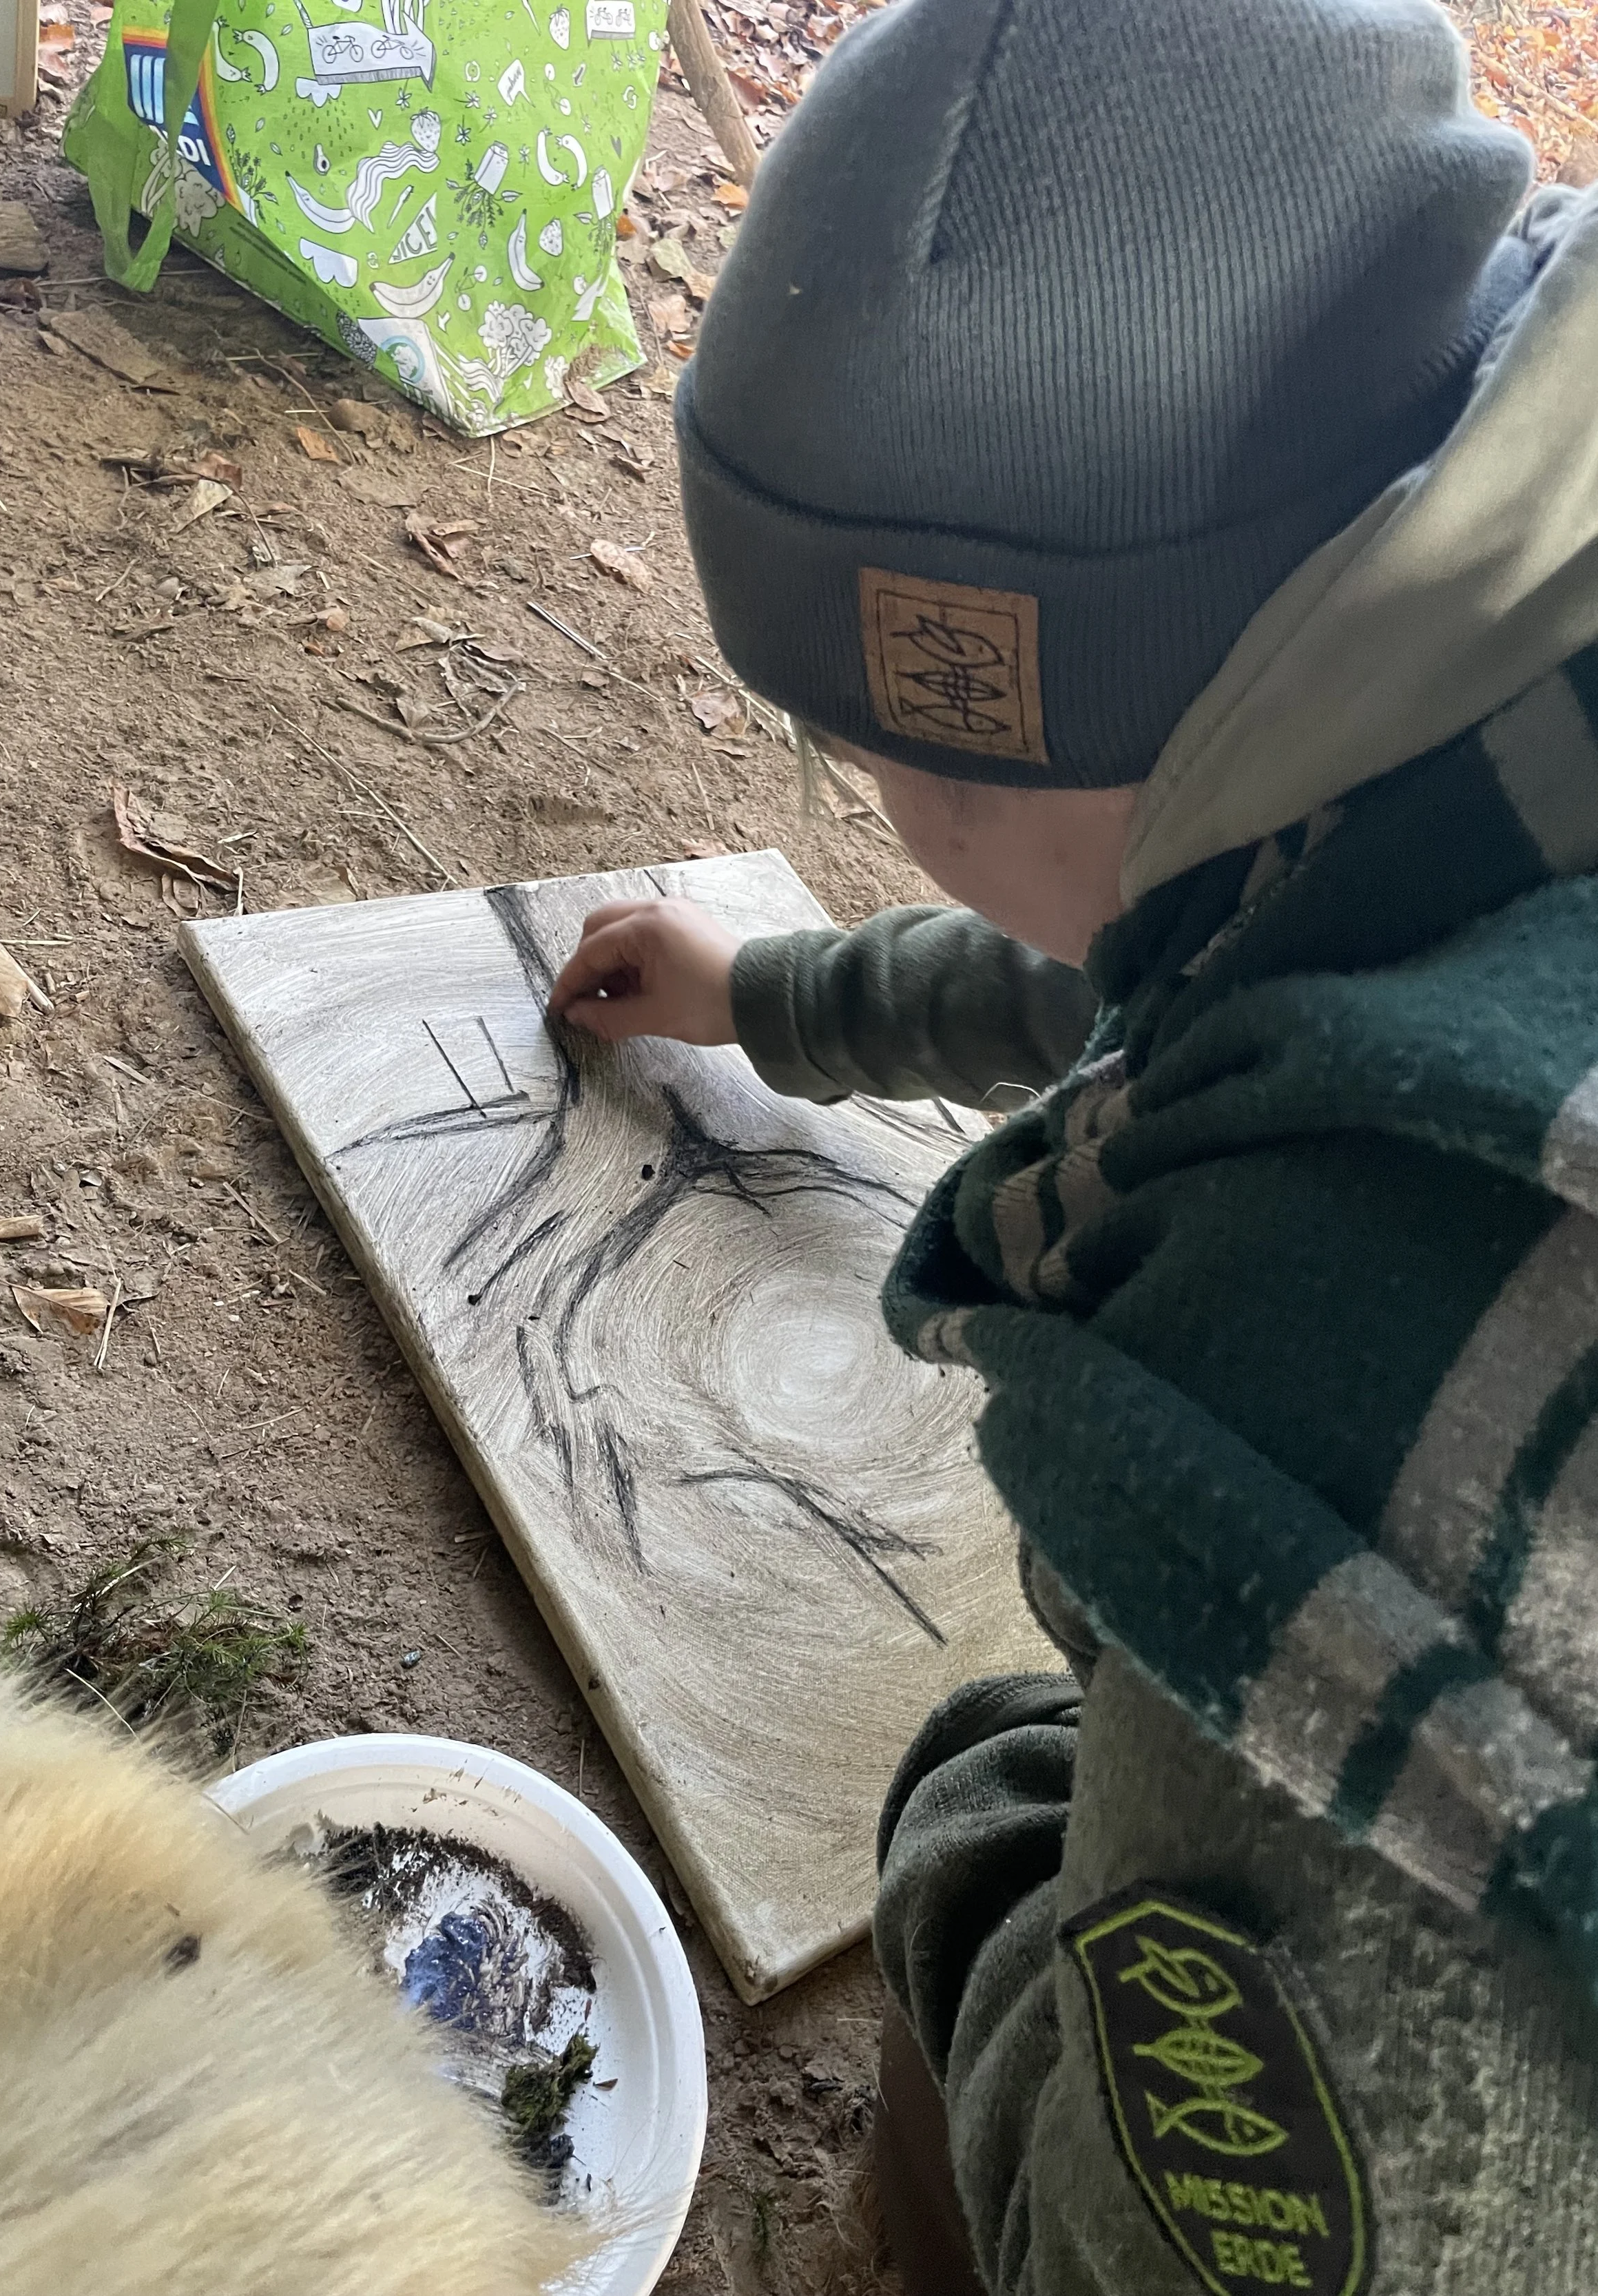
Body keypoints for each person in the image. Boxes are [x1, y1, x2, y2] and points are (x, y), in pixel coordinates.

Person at [547, 0, 1598, 2289]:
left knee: (992, 1781)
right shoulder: (1480, 658)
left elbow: (1222, 2247)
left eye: (860, 751)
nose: (870, 800)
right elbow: (1211, 937)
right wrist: (781, 994)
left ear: (977, 725)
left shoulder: (1334, 1350)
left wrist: (988, 1846)